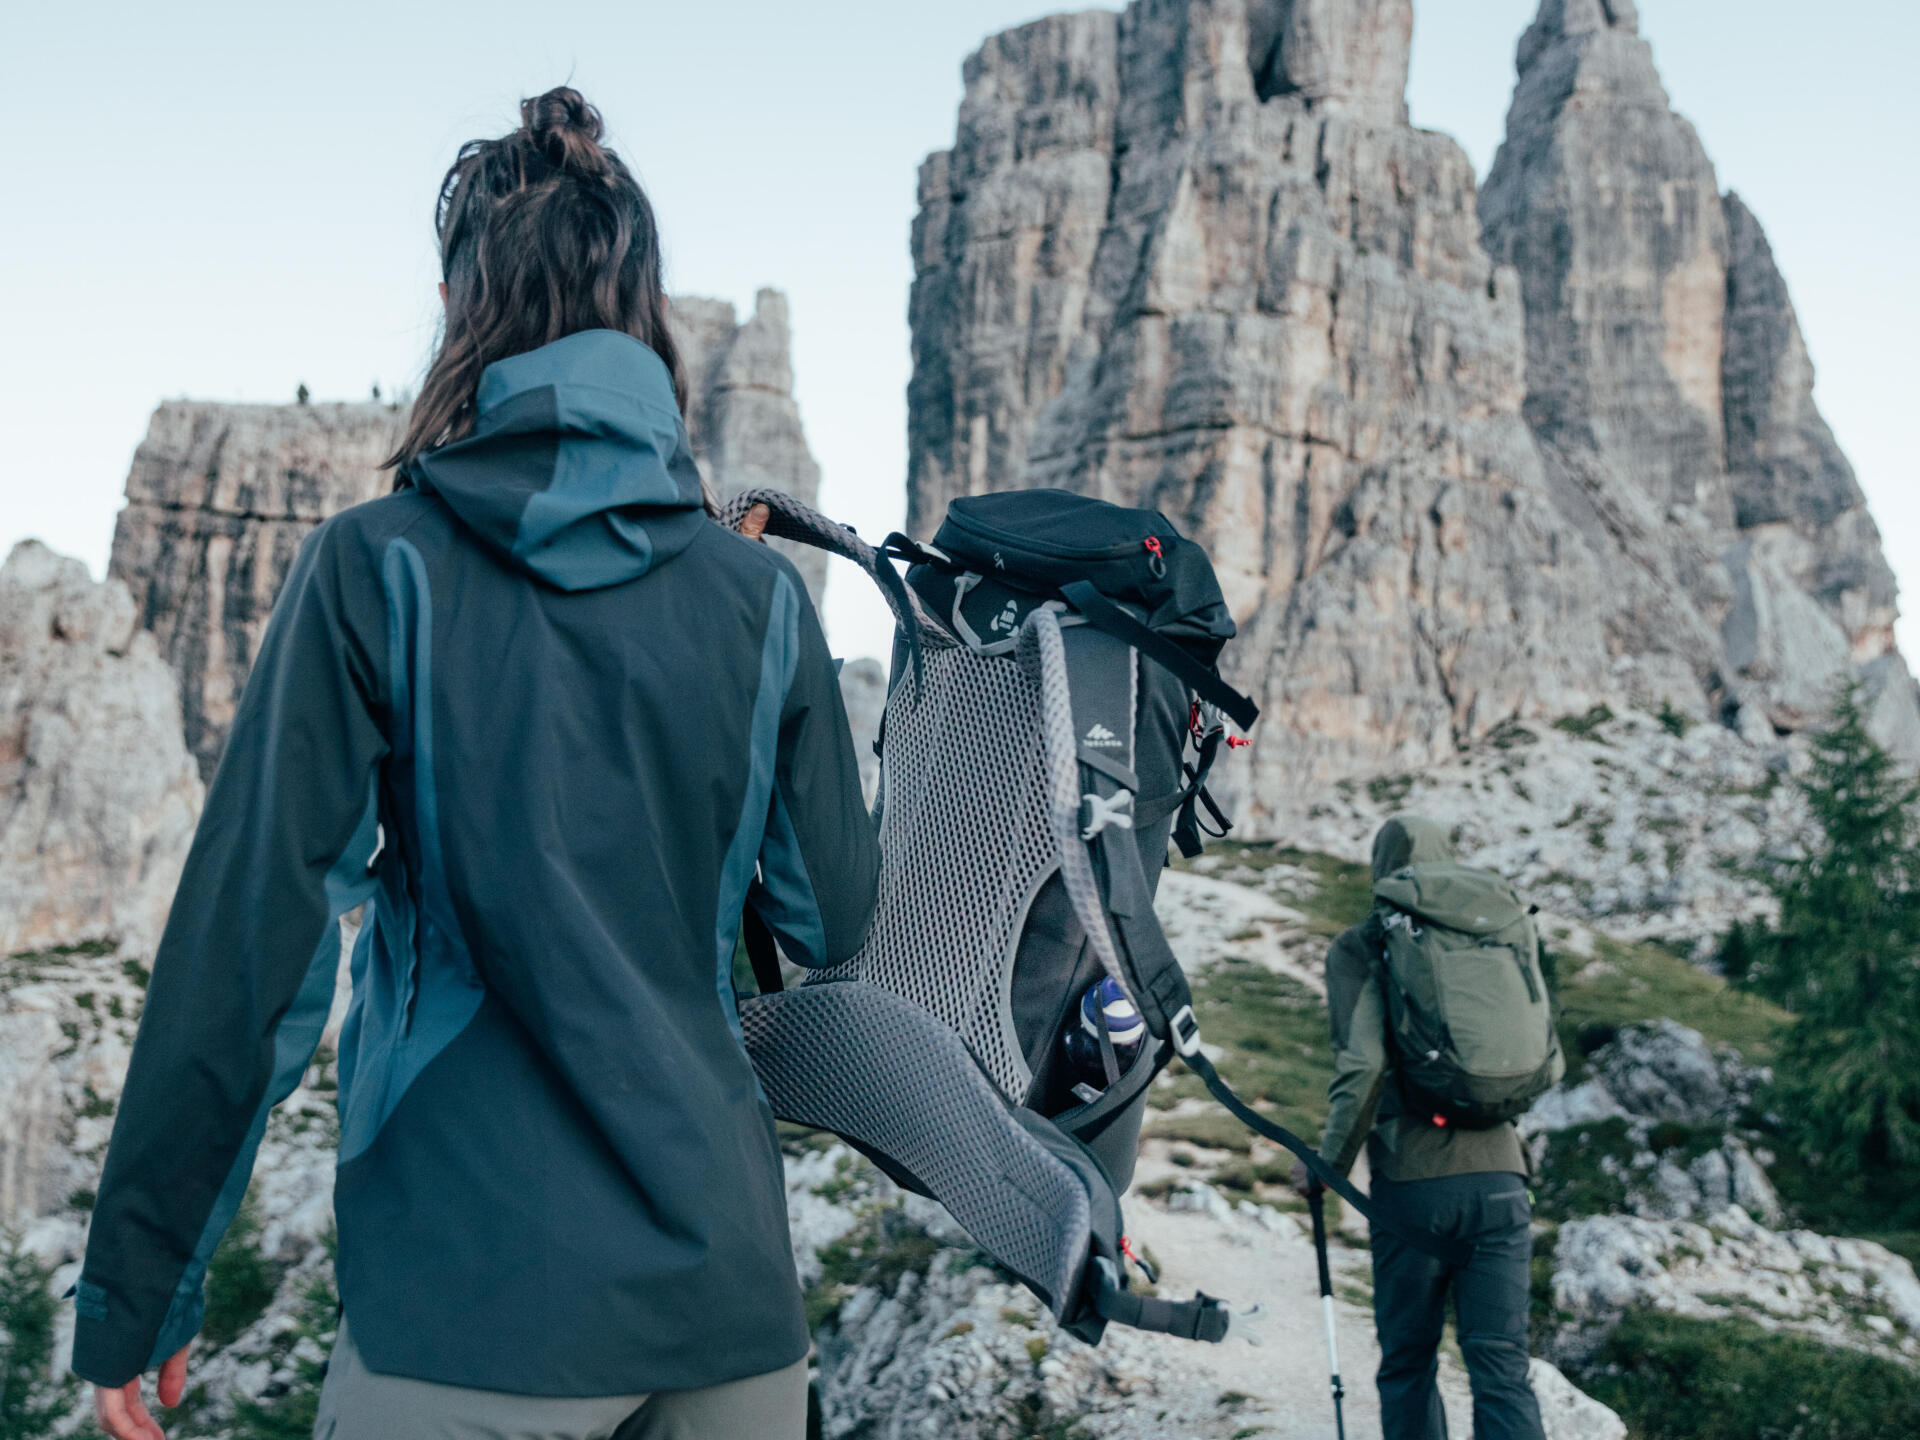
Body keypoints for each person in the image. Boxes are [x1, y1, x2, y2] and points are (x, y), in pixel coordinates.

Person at [73, 87, 879, 1440]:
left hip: (467, 1324)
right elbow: (835, 925)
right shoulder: (761, 607)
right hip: (734, 1329)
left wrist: (141, 1286)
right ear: (649, 315)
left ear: (466, 312)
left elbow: (248, 954)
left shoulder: (374, 572)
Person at [1300, 815, 1551, 1440]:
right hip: (1502, 1182)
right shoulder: (1498, 933)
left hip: (1414, 1190)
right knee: (1501, 1367)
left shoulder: (1367, 944)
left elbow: (1364, 1068)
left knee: (1410, 1363)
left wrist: (1327, 1166)